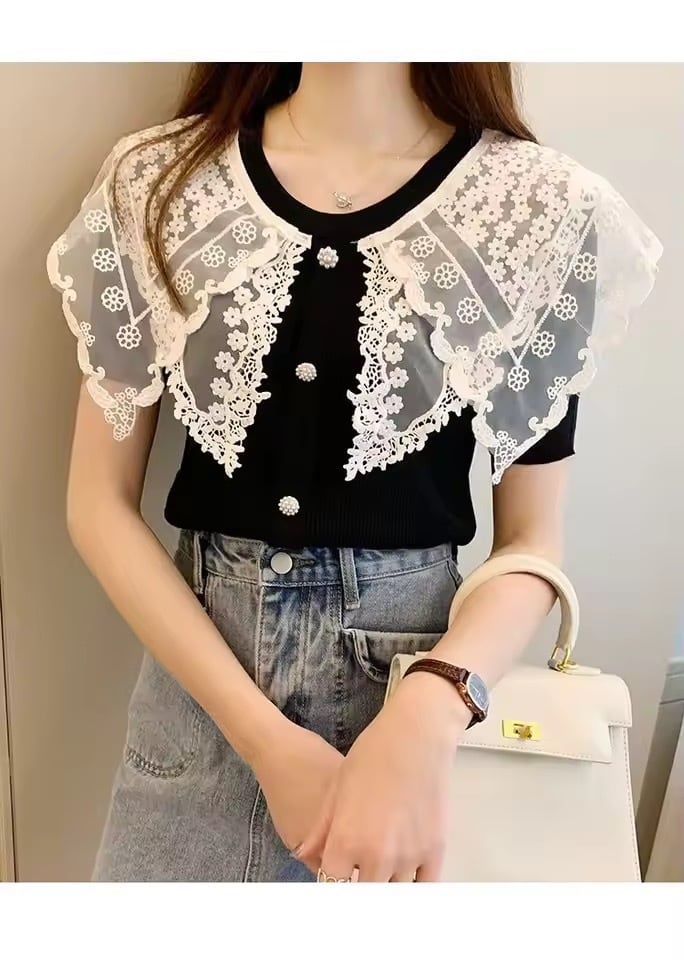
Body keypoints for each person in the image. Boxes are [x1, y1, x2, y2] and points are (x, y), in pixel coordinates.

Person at [47, 62, 661, 882]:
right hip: (199, 700)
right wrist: (264, 740)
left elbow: (533, 544)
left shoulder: (538, 208)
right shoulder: (159, 181)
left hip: (415, 700)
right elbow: (97, 505)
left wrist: (428, 712)